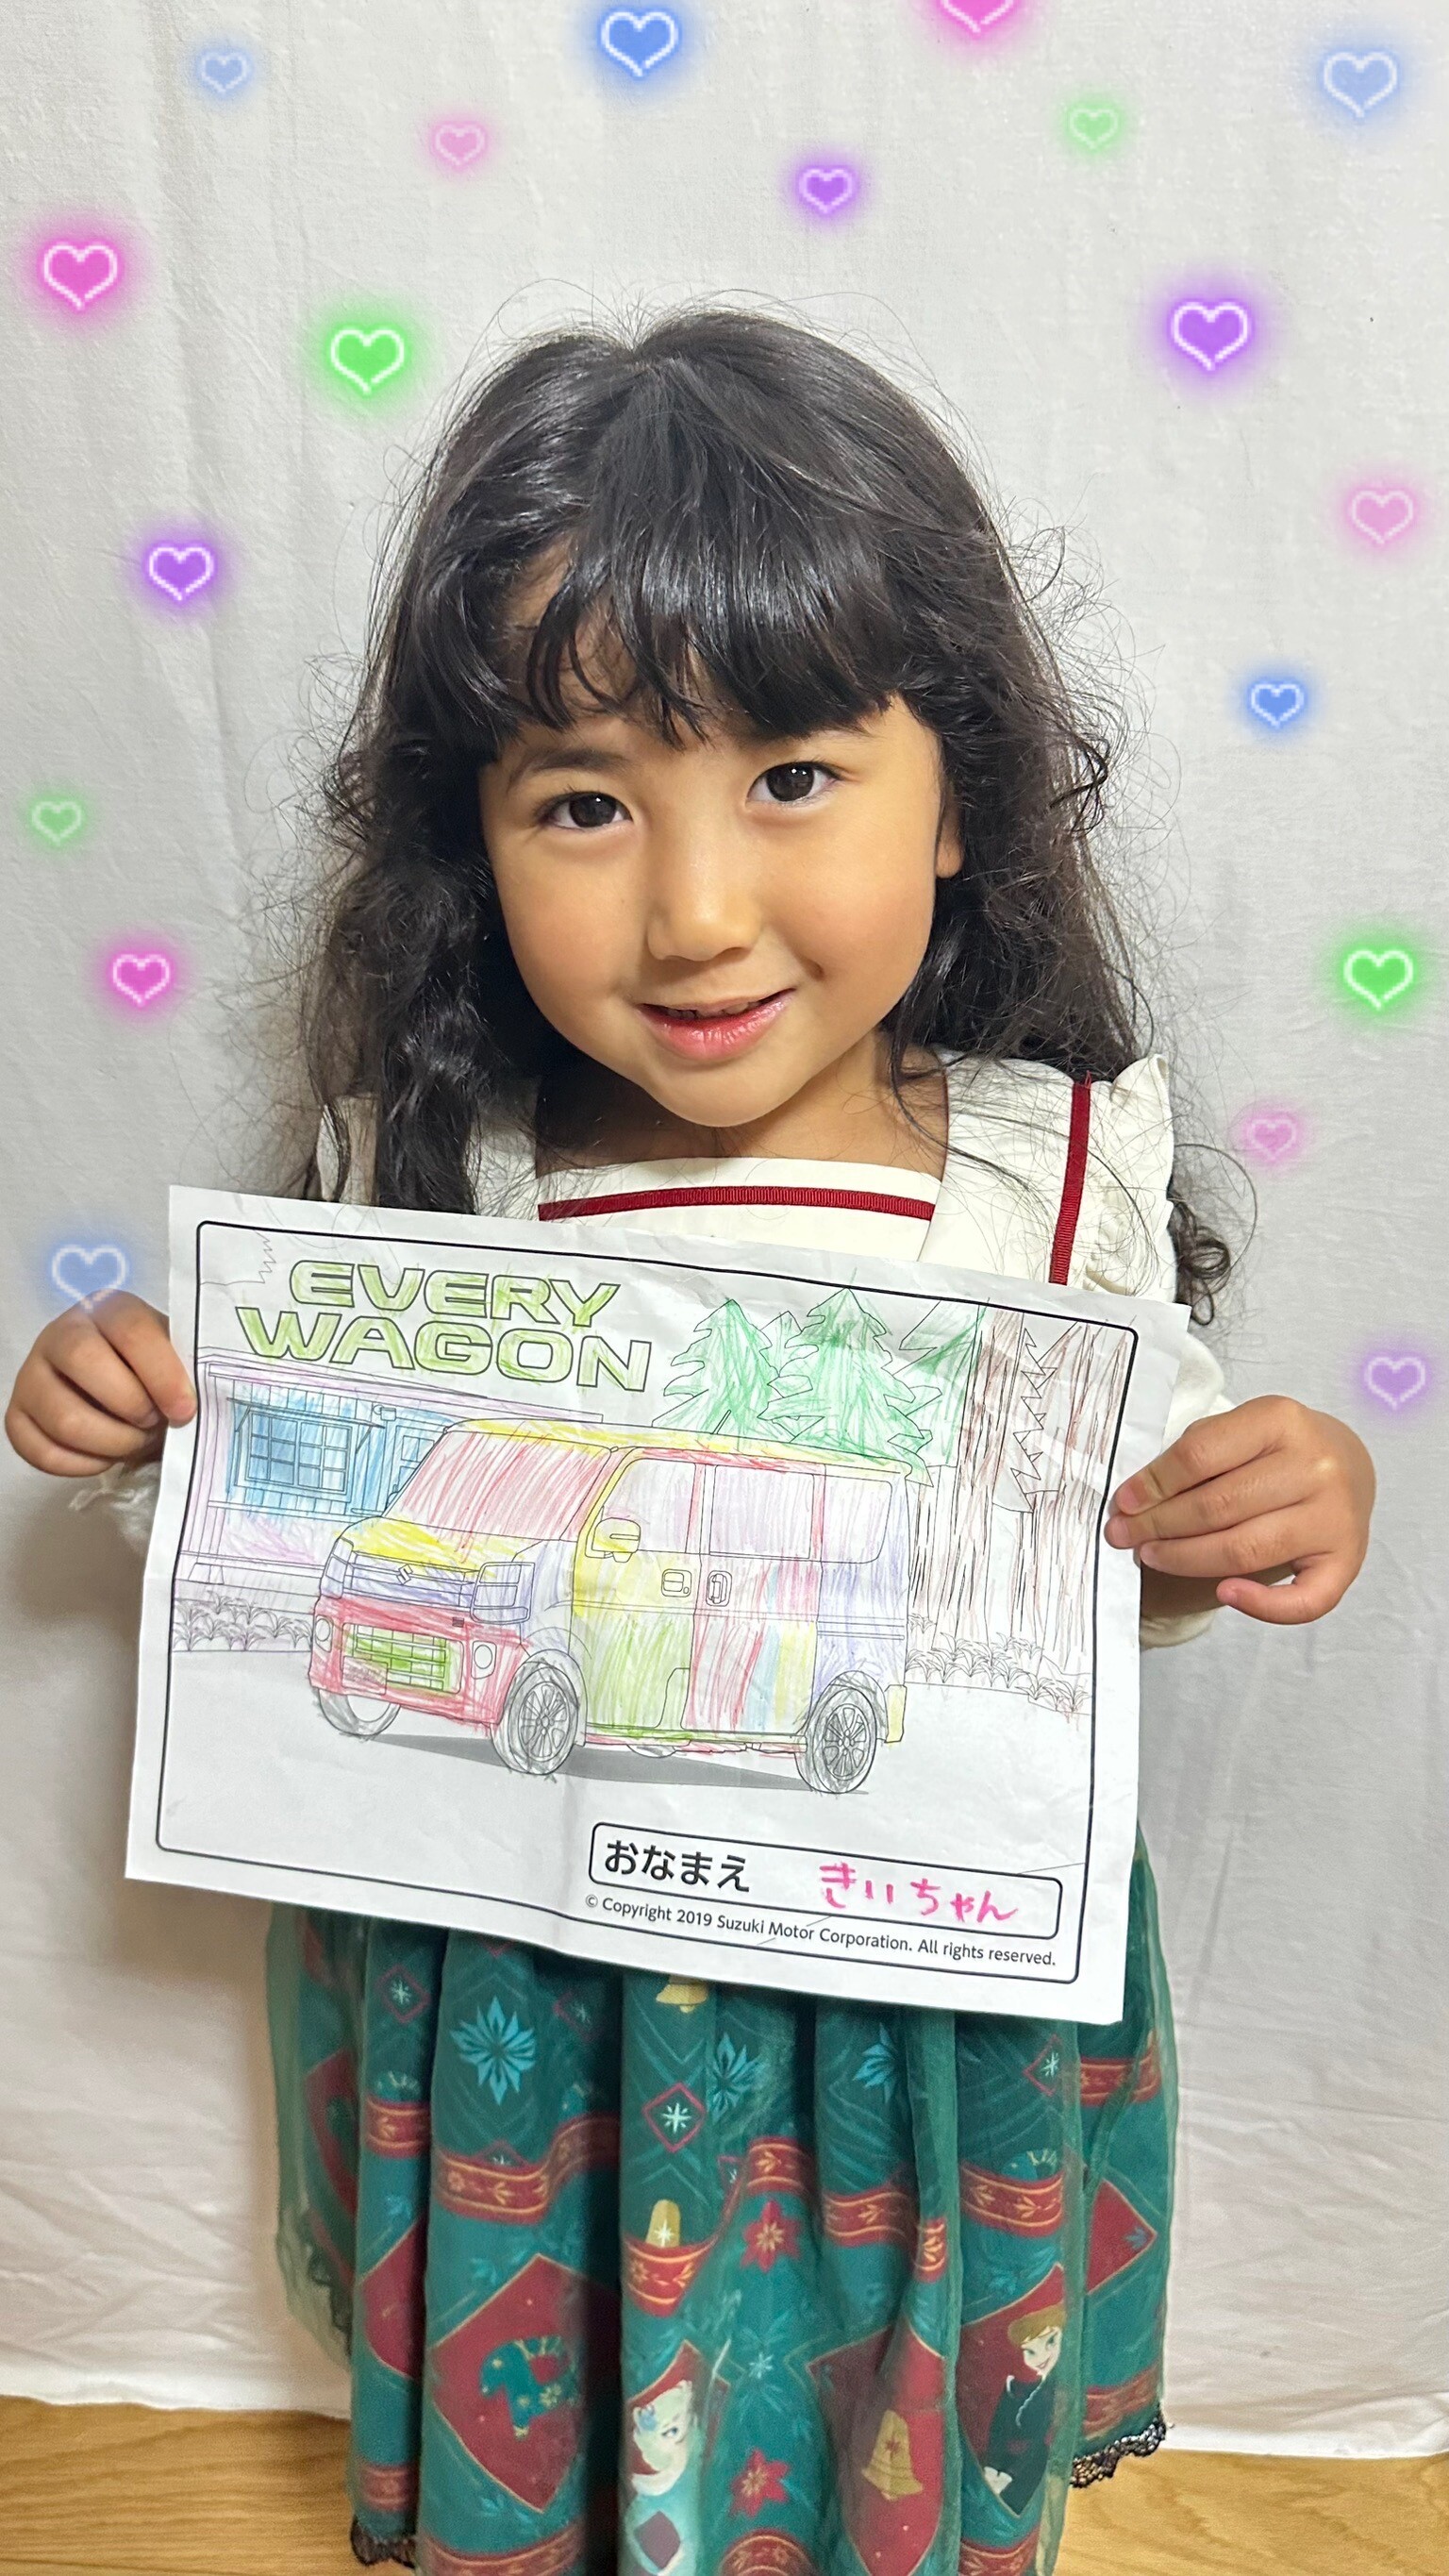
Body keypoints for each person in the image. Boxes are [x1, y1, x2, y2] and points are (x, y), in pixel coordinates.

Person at [5, 307, 1375, 2576]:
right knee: (552, 2396)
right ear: (472, 844)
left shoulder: (1049, 1177)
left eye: (795, 776)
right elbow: (301, 1531)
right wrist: (142, 1419)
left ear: (964, 800)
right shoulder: (444, 1175)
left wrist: (1258, 1503)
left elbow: (1114, 1554)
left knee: (877, 2418)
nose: (698, 906)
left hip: (906, 2007)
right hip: (527, 1991)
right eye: (583, 803)